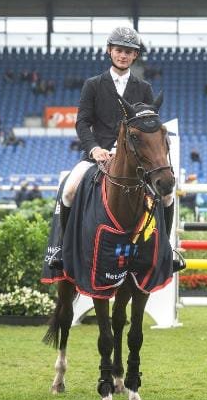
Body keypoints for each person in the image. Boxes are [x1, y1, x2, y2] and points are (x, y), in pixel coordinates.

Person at [54, 26, 184, 272]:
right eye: (119, 50)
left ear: (135, 56)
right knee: (70, 190)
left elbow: (147, 125)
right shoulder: (93, 85)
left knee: (166, 194)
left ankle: (166, 250)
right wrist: (93, 149)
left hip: (133, 161)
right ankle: (63, 247)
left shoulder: (143, 88)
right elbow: (82, 122)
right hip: (98, 154)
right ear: (109, 52)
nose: (123, 55)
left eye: (129, 52)